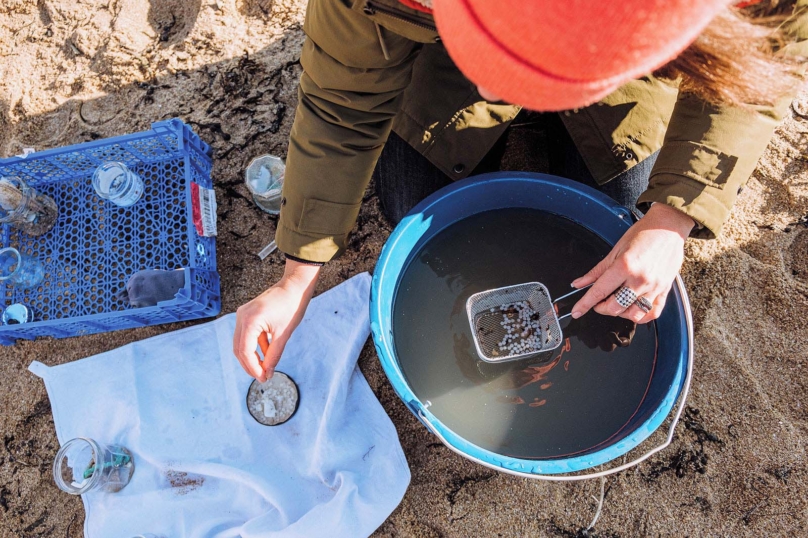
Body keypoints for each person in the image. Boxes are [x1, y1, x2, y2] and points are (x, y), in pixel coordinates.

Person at [233, 0, 806, 382]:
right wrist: (296, 277)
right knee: (410, 200)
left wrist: (671, 219)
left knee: (624, 198)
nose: (496, 90)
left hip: (624, 60)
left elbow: (766, 64)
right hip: (441, 47)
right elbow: (341, 105)